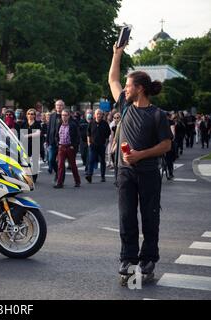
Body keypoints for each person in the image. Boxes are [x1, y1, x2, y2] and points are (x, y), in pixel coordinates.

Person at [109, 43, 172, 282]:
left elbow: (166, 145)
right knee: (126, 216)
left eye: (128, 86)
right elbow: (113, 79)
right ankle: (128, 259)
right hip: (125, 172)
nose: (124, 90)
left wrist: (140, 154)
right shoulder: (125, 106)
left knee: (149, 216)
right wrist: (117, 53)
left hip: (148, 173)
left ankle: (148, 260)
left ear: (140, 89)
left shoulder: (158, 115)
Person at [54, 110, 81, 188]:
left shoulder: (72, 125)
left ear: (69, 116)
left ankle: (77, 181)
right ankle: (59, 183)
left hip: (70, 147)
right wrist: (58, 144)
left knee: (73, 165)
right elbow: (56, 135)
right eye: (62, 115)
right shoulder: (59, 124)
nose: (64, 117)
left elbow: (77, 136)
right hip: (61, 147)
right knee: (60, 165)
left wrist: (73, 146)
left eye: (65, 115)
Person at [86, 109, 110, 183]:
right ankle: (89, 175)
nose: (99, 115)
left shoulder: (105, 123)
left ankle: (103, 176)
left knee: (102, 161)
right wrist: (88, 143)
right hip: (93, 145)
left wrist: (105, 144)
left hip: (101, 145)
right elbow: (88, 133)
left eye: (100, 114)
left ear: (102, 115)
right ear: (95, 115)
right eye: (97, 114)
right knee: (91, 160)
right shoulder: (91, 123)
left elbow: (108, 135)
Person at [20, 108, 42, 182]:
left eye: (32, 114)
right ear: (26, 115)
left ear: (34, 116)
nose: (30, 115)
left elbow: (38, 133)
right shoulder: (24, 123)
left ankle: (34, 177)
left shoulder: (37, 124)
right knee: (26, 161)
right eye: (28, 114)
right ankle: (28, 175)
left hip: (35, 144)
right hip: (25, 144)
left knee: (35, 161)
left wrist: (27, 135)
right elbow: (21, 133)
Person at [46, 100, 65, 175]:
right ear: (55, 106)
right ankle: (58, 173)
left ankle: (60, 177)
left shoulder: (65, 115)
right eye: (57, 105)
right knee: (51, 160)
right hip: (52, 141)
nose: (59, 107)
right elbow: (49, 128)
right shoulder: (52, 115)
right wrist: (47, 140)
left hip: (61, 142)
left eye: (60, 105)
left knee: (60, 161)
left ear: (63, 106)